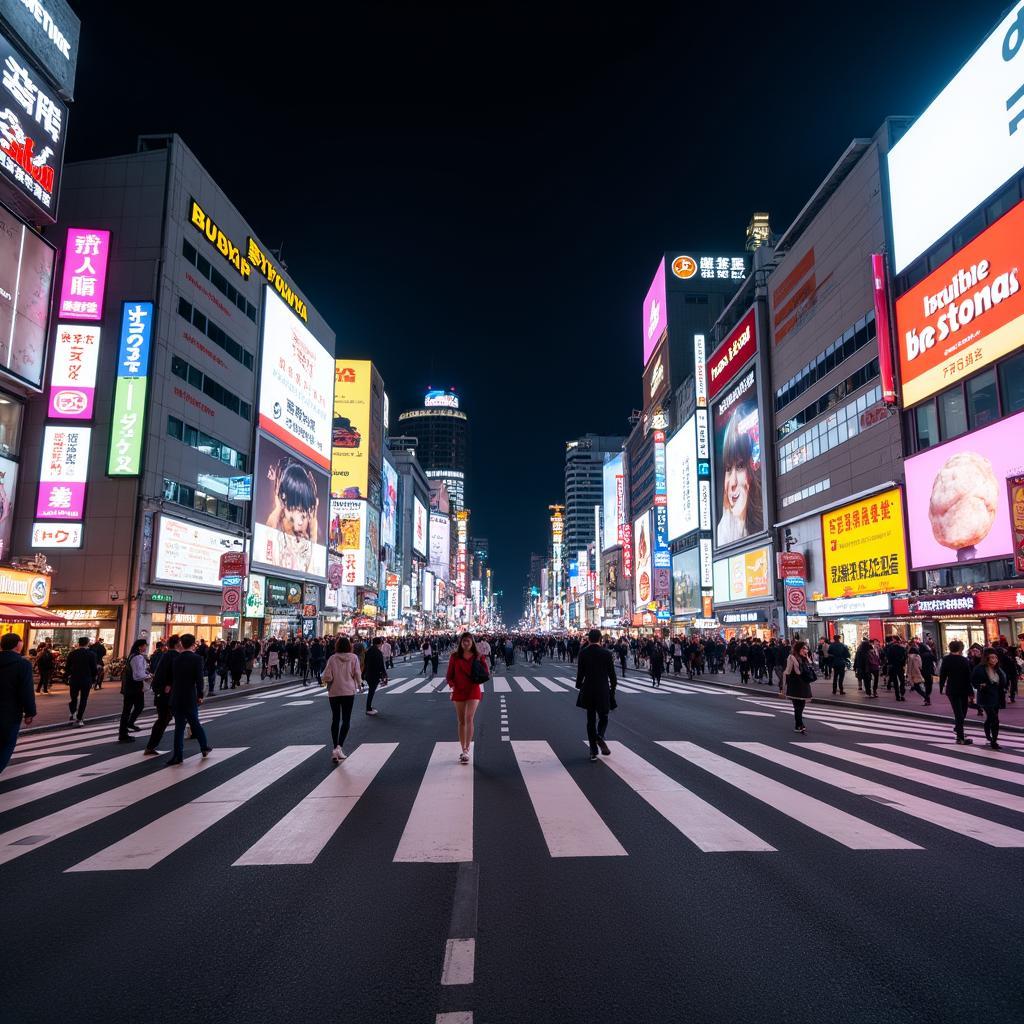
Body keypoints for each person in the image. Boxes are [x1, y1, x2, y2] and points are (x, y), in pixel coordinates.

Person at [715, 410, 764, 544]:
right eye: (728, 469)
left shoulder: (766, 520)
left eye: (741, 466)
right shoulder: (724, 529)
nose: (733, 482)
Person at [166, 633, 212, 765]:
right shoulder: (197, 659)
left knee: (179, 727)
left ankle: (177, 755)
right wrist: (200, 695)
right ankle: (204, 747)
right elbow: (199, 680)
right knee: (195, 723)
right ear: (193, 644)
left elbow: (173, 678)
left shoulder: (176, 659)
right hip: (189, 696)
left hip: (176, 696)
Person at [576, 628, 617, 761]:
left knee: (590, 720)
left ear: (589, 639)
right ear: (600, 639)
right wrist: (613, 689)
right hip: (602, 688)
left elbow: (580, 673)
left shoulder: (583, 653)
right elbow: (612, 675)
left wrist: (579, 686)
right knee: (604, 716)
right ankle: (600, 736)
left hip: (588, 688)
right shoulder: (606, 653)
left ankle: (593, 751)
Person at [446, 631, 486, 764]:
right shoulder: (455, 657)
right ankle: (462, 747)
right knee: (461, 720)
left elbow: (485, 673)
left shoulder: (478, 656)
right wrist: (452, 686)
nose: (466, 643)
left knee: (469, 718)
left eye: (468, 641)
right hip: (459, 690)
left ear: (472, 642)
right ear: (461, 643)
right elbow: (449, 676)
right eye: (464, 641)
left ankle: (466, 750)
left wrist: (481, 660)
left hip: (473, 690)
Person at [322, 636, 362, 762]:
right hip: (348, 691)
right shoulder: (353, 657)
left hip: (334, 691)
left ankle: (335, 748)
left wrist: (328, 681)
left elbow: (326, 675)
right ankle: (339, 747)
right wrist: (359, 684)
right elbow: (357, 673)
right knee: (346, 719)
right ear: (349, 646)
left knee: (335, 719)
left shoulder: (332, 658)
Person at [0, 632, 35, 773]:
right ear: (18, 645)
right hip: (10, 712)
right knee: (6, 745)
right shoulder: (22, 664)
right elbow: (26, 690)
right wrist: (30, 712)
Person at [144, 634, 180, 756]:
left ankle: (151, 745)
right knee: (165, 718)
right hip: (167, 693)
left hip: (162, 692)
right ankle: (151, 746)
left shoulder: (166, 655)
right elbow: (172, 672)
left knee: (165, 718)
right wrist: (169, 684)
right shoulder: (173, 656)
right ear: (176, 644)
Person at [939, 640, 974, 745]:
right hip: (963, 688)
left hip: (951, 688)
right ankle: (960, 737)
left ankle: (959, 730)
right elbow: (968, 677)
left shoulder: (946, 659)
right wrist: (970, 691)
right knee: (962, 711)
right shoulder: (964, 660)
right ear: (961, 649)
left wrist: (941, 687)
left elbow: (943, 674)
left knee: (958, 712)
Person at [972, 648, 1007, 750]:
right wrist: (980, 685)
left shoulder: (998, 669)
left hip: (996, 696)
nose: (994, 659)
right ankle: (993, 741)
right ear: (986, 659)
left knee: (991, 718)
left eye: (996, 657)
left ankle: (990, 735)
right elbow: (973, 681)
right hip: (985, 697)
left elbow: (1003, 680)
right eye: (992, 657)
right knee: (994, 719)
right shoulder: (980, 668)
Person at [118, 638, 151, 742]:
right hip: (134, 687)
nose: (146, 647)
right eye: (145, 645)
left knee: (131, 709)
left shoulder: (132, 656)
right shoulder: (138, 657)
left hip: (129, 686)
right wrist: (149, 676)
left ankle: (126, 728)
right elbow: (137, 675)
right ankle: (124, 731)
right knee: (134, 708)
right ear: (140, 646)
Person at [782, 639, 814, 734]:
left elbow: (812, 670)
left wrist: (808, 659)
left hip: (804, 684)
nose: (806, 650)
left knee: (802, 705)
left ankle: (799, 724)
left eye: (807, 649)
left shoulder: (805, 658)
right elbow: (787, 671)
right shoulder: (791, 657)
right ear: (799, 649)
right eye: (804, 648)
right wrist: (782, 686)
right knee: (797, 706)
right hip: (795, 684)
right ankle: (799, 725)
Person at [64, 636, 97, 727]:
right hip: (86, 679)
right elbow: (94, 669)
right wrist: (94, 679)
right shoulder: (91, 654)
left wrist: (67, 676)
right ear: (87, 643)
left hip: (74, 679)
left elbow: (67, 667)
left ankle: (72, 713)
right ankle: (79, 718)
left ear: (79, 643)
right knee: (83, 699)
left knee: (73, 698)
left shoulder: (72, 653)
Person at [363, 636, 387, 715]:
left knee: (371, 690)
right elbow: (381, 665)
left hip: (368, 673)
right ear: (379, 643)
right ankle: (368, 708)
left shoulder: (368, 651)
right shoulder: (378, 652)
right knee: (371, 691)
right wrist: (384, 675)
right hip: (375, 674)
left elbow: (365, 663)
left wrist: (363, 674)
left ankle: (369, 706)